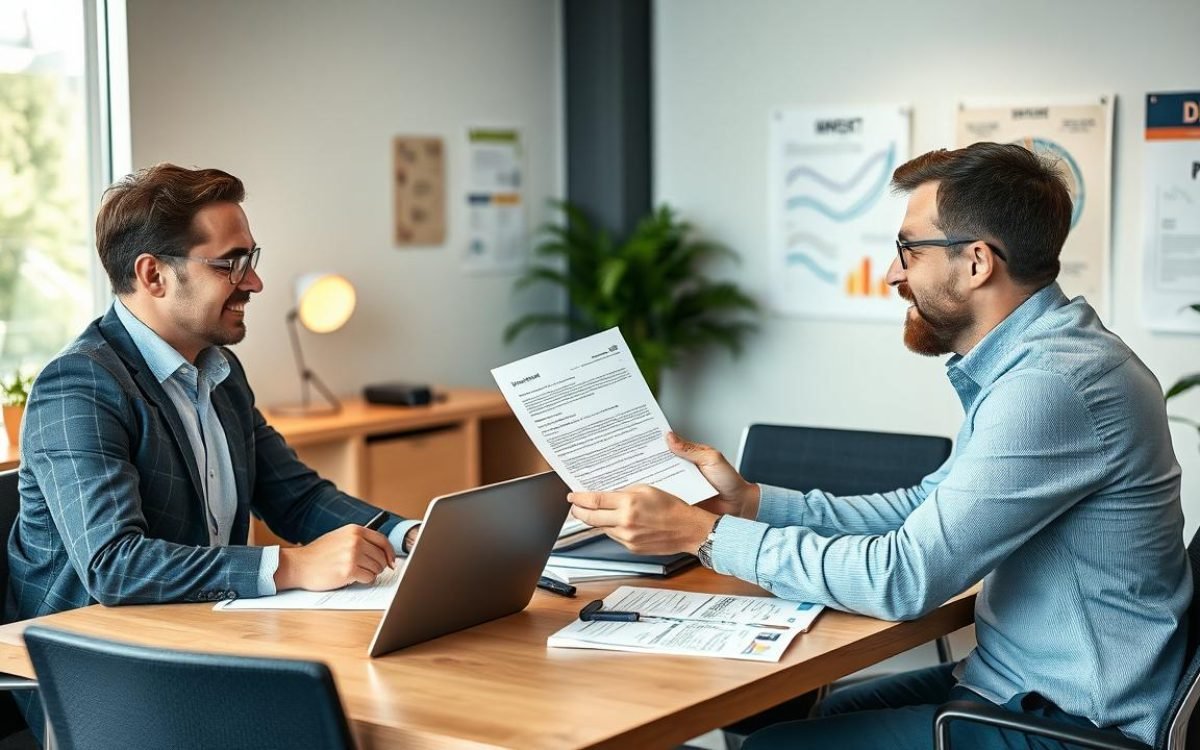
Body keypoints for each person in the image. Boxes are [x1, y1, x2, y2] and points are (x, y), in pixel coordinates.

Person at [567, 142, 1188, 748]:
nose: (893, 272)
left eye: (908, 250)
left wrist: (698, 535)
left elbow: (902, 577)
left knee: (773, 748)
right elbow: (922, 506)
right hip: (1020, 682)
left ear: (975, 262)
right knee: (826, 712)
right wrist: (750, 501)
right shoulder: (1044, 360)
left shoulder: (1051, 386)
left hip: (1079, 719)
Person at [7, 164, 421, 733]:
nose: (253, 283)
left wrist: (413, 536)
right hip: (100, 677)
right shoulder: (79, 387)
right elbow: (115, 566)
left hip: (206, 638)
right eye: (232, 263)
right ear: (153, 275)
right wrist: (292, 565)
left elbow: (295, 499)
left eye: (252, 259)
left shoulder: (220, 372)